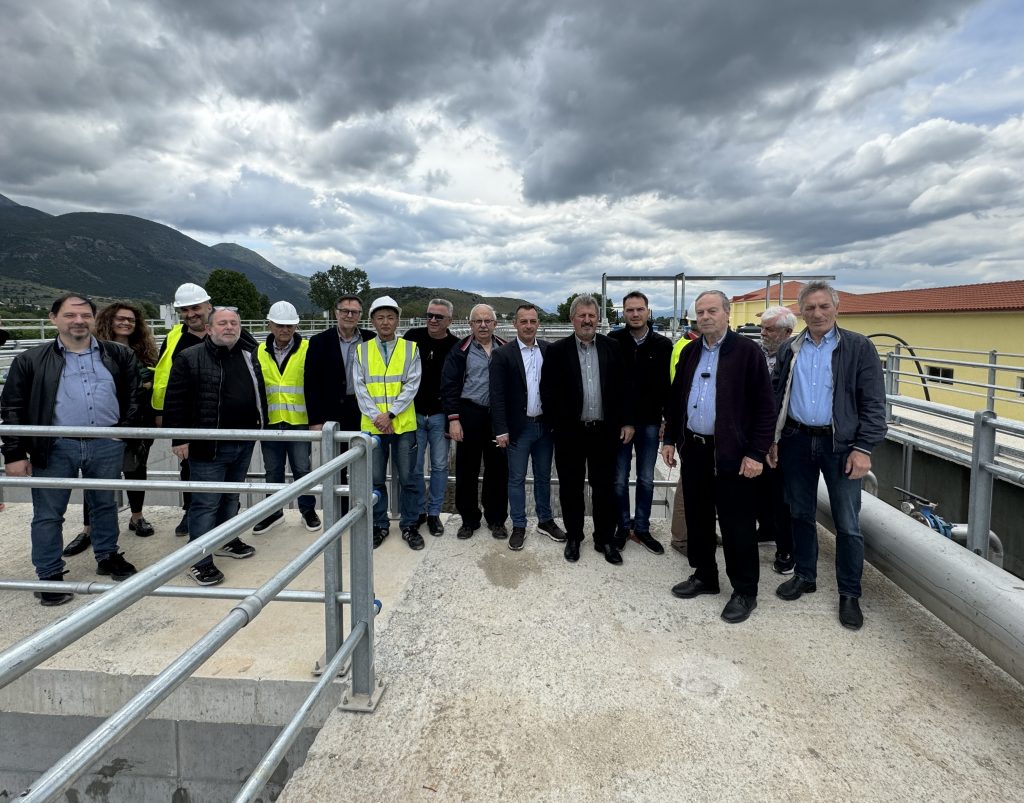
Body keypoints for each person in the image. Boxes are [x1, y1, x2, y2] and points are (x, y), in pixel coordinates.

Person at [1, 293, 141, 605]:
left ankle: (107, 555)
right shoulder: (30, 360)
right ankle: (49, 574)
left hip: (106, 443)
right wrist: (14, 453)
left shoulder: (118, 354)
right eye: (70, 315)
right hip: (54, 445)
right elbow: (12, 407)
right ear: (54, 319)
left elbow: (134, 395)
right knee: (49, 513)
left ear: (94, 319)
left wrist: (123, 431)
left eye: (85, 315)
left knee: (105, 504)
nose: (78, 321)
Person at [770, 281, 887, 630]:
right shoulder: (790, 348)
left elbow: (873, 403)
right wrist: (773, 439)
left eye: (824, 306)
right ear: (801, 312)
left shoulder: (858, 347)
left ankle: (849, 593)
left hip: (841, 446)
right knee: (800, 513)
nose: (817, 313)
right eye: (810, 307)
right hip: (796, 440)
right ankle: (805, 575)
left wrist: (863, 448)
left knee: (847, 523)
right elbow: (777, 395)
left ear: (836, 308)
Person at [661, 290, 775, 624]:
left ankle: (745, 590)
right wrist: (670, 439)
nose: (705, 317)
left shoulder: (747, 353)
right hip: (695, 449)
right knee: (697, 517)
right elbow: (676, 399)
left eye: (712, 311)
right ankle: (705, 575)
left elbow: (765, 407)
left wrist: (756, 453)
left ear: (727, 314)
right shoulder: (690, 351)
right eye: (700, 312)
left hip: (733, 453)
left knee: (736, 522)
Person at [163, 307, 264, 586]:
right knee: (206, 503)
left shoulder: (248, 355)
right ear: (209, 329)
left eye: (234, 323)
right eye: (222, 323)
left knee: (231, 497)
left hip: (243, 441)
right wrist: (179, 438)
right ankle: (199, 559)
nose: (229, 327)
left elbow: (258, 393)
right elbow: (176, 399)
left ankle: (226, 539)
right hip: (208, 444)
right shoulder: (190, 357)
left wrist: (260, 427)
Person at [540, 294, 633, 565]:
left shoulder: (612, 347)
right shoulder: (557, 351)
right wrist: (558, 425)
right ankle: (574, 537)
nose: (587, 320)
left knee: (604, 488)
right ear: (572, 319)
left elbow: (625, 387)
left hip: (605, 432)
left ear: (598, 319)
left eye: (592, 315)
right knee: (570, 488)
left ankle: (604, 539)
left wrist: (627, 421)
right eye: (582, 315)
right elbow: (548, 392)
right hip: (570, 433)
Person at [63, 301, 160, 557]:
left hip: (139, 419)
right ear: (108, 320)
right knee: (95, 477)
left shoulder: (145, 352)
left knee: (136, 469)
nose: (126, 323)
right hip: (104, 421)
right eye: (120, 318)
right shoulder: (94, 349)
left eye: (131, 320)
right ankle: (88, 529)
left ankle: (137, 516)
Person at [490, 304, 566, 551]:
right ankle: (519, 525)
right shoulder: (503, 355)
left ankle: (545, 520)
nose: (529, 326)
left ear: (538, 324)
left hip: (545, 426)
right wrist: (501, 430)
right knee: (516, 478)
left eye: (533, 321)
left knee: (544, 476)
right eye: (523, 321)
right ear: (515, 324)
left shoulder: (549, 350)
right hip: (518, 428)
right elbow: (497, 395)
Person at [353, 296, 422, 550]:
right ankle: (379, 525)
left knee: (408, 479)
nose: (385, 322)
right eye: (380, 317)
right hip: (374, 428)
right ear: (372, 321)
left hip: (403, 426)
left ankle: (409, 525)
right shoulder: (361, 350)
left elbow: (412, 385)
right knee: (375, 480)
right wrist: (378, 417)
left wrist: (390, 414)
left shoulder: (410, 349)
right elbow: (360, 388)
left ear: (397, 320)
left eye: (390, 317)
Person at [608, 291, 672, 555]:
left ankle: (643, 528)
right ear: (623, 313)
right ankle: (623, 527)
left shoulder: (663, 345)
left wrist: (666, 420)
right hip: (621, 424)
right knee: (619, 479)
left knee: (646, 478)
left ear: (648, 311)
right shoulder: (613, 341)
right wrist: (625, 420)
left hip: (650, 423)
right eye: (630, 310)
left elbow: (666, 387)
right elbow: (611, 386)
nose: (635, 314)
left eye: (639, 309)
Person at [250, 301, 321, 534]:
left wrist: (316, 418)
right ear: (269, 325)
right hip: (271, 422)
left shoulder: (308, 349)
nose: (285, 329)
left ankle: (307, 510)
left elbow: (316, 385)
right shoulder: (258, 352)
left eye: (289, 325)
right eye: (279, 325)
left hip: (299, 422)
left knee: (302, 469)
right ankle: (274, 512)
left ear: (296, 326)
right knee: (273, 471)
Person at [441, 303, 509, 540]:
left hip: (497, 417)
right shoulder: (460, 350)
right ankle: (469, 520)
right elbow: (449, 386)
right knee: (466, 469)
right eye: (478, 321)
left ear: (495, 324)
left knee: (498, 469)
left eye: (487, 321)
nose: (483, 325)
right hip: (470, 413)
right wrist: (454, 420)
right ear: (470, 324)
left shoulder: (505, 348)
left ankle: (496, 519)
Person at [151, 282, 214, 537]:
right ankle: (190, 512)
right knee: (188, 467)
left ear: (208, 306)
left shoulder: (225, 330)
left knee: (224, 467)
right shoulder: (174, 337)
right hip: (189, 416)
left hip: (219, 414)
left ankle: (223, 517)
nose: (190, 314)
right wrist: (161, 412)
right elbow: (162, 376)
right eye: (184, 310)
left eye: (195, 308)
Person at [305, 294, 376, 517]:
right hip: (331, 412)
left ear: (360, 316)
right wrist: (315, 419)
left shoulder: (371, 339)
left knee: (361, 462)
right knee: (336, 465)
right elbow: (311, 382)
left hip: (362, 410)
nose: (349, 315)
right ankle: (340, 512)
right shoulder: (319, 341)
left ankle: (361, 510)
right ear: (336, 313)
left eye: (354, 312)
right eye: (345, 310)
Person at [403, 299, 458, 537]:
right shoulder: (411, 338)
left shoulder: (456, 346)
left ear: (450, 321)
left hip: (440, 416)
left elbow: (458, 384)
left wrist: (453, 418)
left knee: (440, 466)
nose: (432, 320)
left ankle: (434, 513)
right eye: (429, 315)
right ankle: (418, 511)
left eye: (439, 317)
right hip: (413, 414)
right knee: (414, 467)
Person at [756, 306, 797, 574]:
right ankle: (766, 529)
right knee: (761, 488)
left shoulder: (796, 356)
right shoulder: (757, 354)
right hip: (758, 433)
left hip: (784, 436)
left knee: (783, 496)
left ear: (787, 332)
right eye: (762, 328)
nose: (763, 333)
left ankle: (786, 550)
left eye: (769, 329)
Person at [667, 328, 699, 556]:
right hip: (688, 429)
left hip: (699, 430)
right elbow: (678, 392)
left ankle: (700, 533)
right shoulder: (687, 348)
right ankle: (681, 537)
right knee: (687, 486)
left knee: (703, 488)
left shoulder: (685, 345)